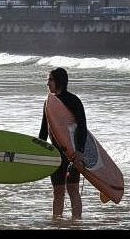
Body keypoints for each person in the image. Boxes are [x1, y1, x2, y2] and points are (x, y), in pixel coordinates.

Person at [37, 67, 85, 220]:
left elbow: (82, 128)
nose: (47, 83)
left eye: (50, 79)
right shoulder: (49, 103)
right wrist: (40, 151)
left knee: (73, 190)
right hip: (55, 154)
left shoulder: (74, 101)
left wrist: (79, 152)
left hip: (71, 154)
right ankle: (57, 223)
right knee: (58, 192)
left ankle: (76, 223)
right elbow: (44, 130)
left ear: (59, 81)